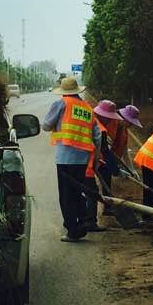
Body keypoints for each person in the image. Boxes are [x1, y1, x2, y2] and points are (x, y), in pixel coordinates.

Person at [42, 76, 101, 242]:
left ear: (63, 91)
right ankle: (83, 221)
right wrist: (95, 158)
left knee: (66, 195)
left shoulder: (61, 104)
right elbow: (97, 136)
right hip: (83, 159)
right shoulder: (87, 108)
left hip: (65, 158)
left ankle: (73, 230)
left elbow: (46, 125)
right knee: (77, 191)